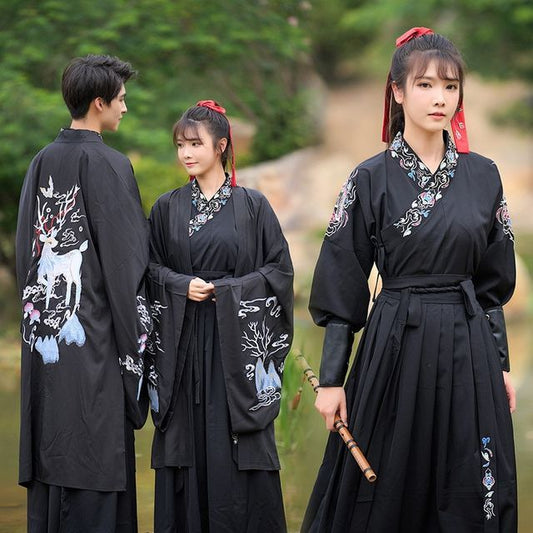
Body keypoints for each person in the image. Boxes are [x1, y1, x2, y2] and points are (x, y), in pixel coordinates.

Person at [302, 27, 517, 532]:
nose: (440, 98)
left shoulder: (483, 175)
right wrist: (332, 380)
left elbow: (491, 284)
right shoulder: (369, 177)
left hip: (470, 347)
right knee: (386, 485)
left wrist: (501, 364)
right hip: (396, 340)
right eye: (425, 85)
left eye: (450, 86)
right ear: (397, 92)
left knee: (473, 477)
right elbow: (343, 280)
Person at [16, 54, 151, 532]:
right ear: (100, 103)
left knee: (54, 464)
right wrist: (140, 356)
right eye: (121, 100)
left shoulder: (39, 163)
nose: (125, 109)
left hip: (46, 351)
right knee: (95, 465)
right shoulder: (110, 165)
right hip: (93, 347)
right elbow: (128, 269)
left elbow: (25, 261)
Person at [145, 100, 294, 532]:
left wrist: (229, 291)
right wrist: (178, 285)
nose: (186, 153)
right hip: (185, 342)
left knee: (239, 447)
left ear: (221, 146)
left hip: (237, 347)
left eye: (195, 143)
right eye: (180, 145)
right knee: (186, 446)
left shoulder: (253, 206)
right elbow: (148, 268)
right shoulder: (166, 208)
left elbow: (279, 271)